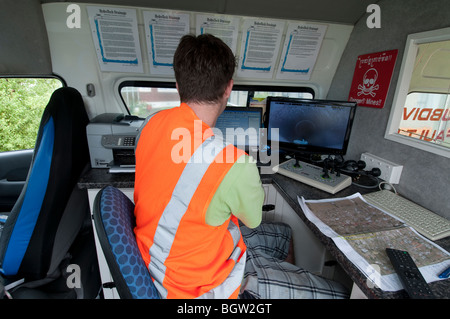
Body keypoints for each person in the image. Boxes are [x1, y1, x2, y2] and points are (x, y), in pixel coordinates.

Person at [134, 34, 349, 299]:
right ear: (228, 88)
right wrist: (243, 168)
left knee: (283, 234)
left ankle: (276, 280)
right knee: (339, 293)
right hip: (198, 287)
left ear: (178, 86)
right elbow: (253, 219)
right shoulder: (234, 162)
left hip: (154, 258)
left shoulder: (149, 125)